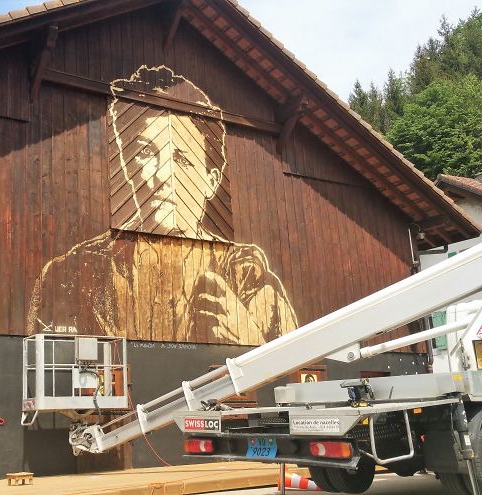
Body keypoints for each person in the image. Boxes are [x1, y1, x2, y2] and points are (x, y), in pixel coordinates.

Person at [27, 65, 297, 346]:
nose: (161, 176)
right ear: (125, 165)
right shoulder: (70, 273)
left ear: (211, 181)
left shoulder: (247, 277)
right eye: (145, 152)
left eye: (182, 159)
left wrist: (248, 337)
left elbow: (295, 364)